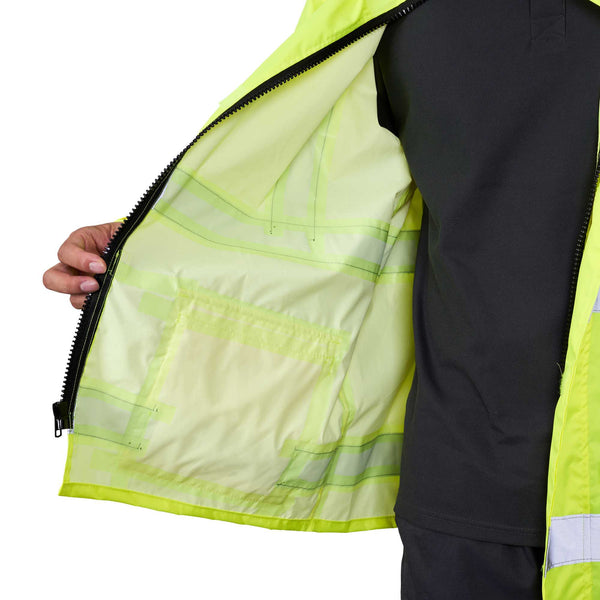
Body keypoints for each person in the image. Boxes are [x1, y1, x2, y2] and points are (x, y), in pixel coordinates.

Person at [42, 0, 600, 598]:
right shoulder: (390, 11)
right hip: (466, 497)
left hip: (475, 485)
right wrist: (148, 250)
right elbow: (326, 212)